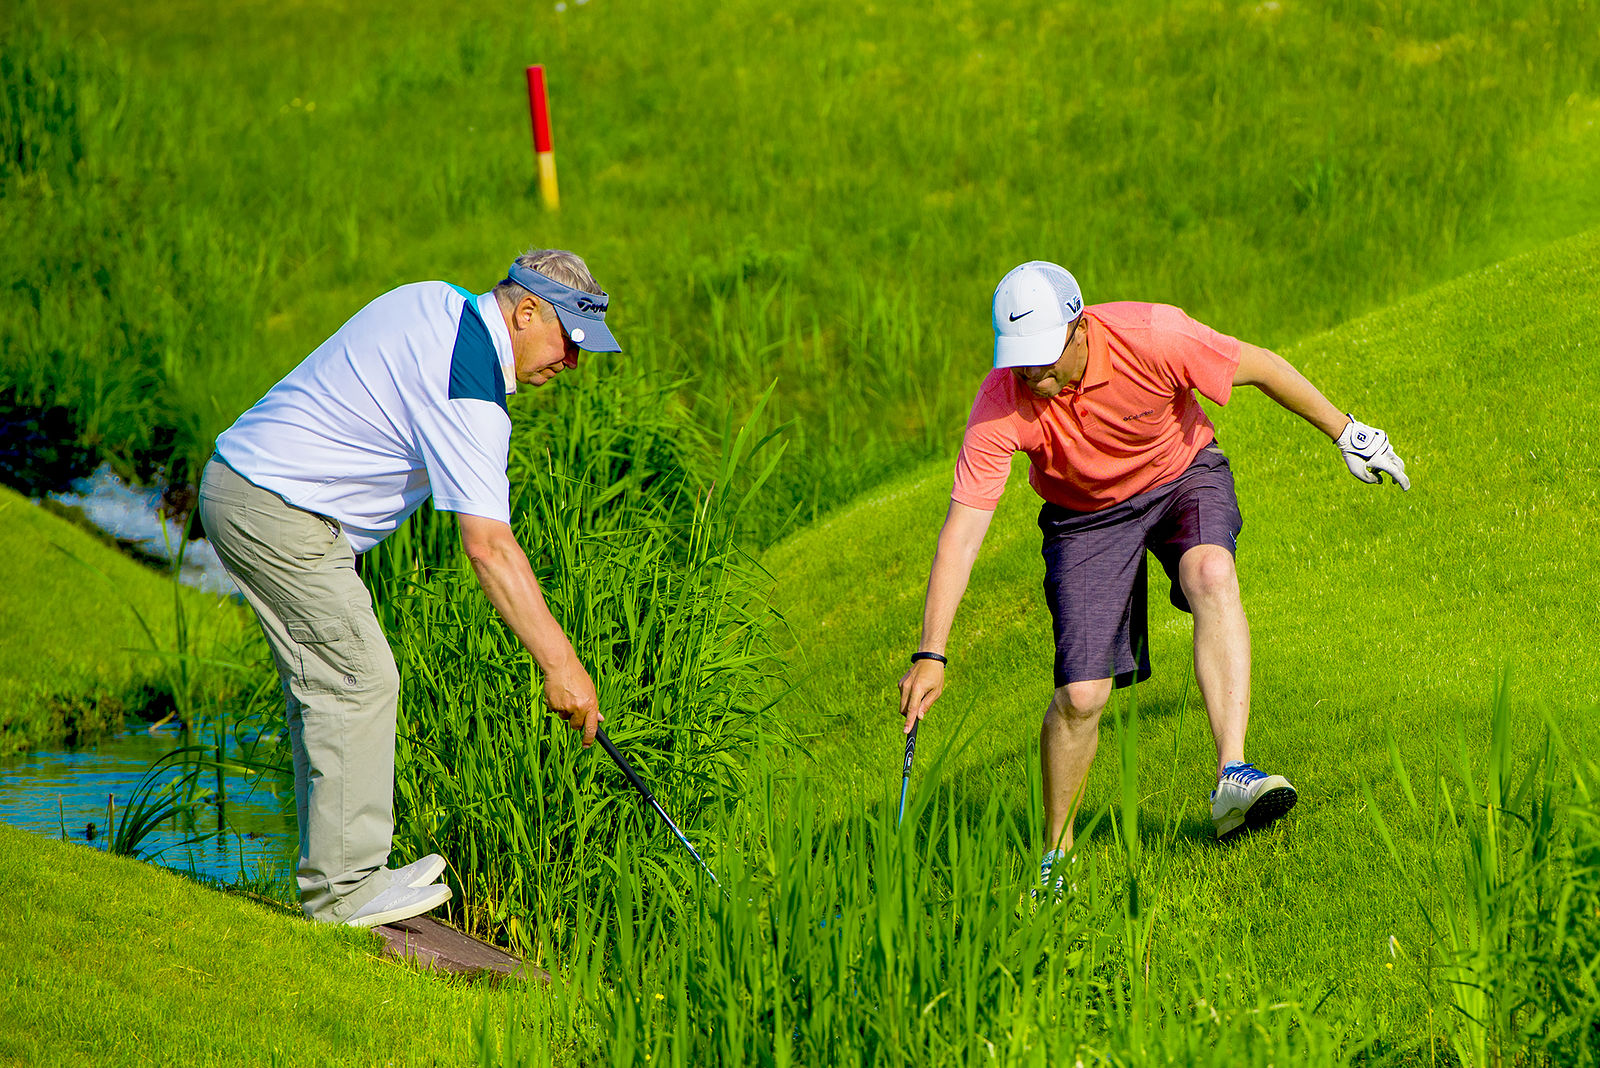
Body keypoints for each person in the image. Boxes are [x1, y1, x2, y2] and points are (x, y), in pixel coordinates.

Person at [897, 261, 1409, 891]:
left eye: (1044, 358)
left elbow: (1262, 365)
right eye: (1020, 361)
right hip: (1083, 517)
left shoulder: (1153, 335)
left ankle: (1233, 776)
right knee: (1082, 697)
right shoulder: (1002, 401)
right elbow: (963, 531)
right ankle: (1054, 863)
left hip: (1181, 473)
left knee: (1212, 570)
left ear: (1079, 326)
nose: (1034, 376)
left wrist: (1347, 432)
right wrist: (932, 651)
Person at [198, 249, 619, 927]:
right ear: (529, 311)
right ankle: (343, 891)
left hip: (259, 494)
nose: (572, 362)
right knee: (359, 680)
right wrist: (562, 666)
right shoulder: (470, 382)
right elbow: (488, 546)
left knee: (336, 683)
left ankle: (344, 874)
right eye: (570, 343)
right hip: (277, 510)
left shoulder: (440, 300)